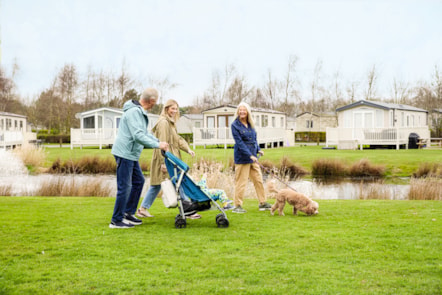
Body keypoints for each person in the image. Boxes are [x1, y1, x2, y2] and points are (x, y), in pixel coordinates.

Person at [109, 88, 169, 229]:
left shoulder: (138, 111)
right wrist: (157, 145)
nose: (155, 104)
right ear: (152, 101)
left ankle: (128, 213)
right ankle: (116, 220)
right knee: (125, 187)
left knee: (139, 181)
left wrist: (158, 141)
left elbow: (144, 133)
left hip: (130, 154)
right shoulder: (135, 112)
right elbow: (138, 135)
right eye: (155, 102)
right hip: (124, 153)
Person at [136, 99, 200, 219]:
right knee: (177, 182)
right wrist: (163, 162)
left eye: (176, 109)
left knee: (158, 184)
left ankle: (142, 209)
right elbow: (163, 143)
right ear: (166, 109)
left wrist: (188, 149)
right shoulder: (164, 123)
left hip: (171, 158)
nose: (175, 111)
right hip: (166, 159)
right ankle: (188, 210)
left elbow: (178, 139)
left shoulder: (170, 123)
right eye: (172, 109)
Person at [230, 102, 272, 213]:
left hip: (253, 158)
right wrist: (249, 155)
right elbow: (239, 143)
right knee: (241, 182)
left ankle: (263, 203)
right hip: (242, 158)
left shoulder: (250, 124)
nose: (242, 112)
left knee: (258, 180)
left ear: (248, 112)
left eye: (244, 110)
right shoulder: (235, 125)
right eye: (240, 110)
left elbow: (254, 140)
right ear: (238, 112)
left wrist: (258, 149)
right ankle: (237, 206)